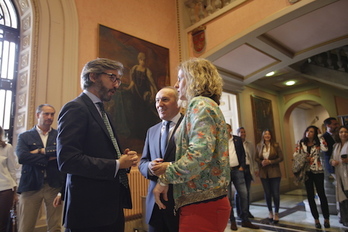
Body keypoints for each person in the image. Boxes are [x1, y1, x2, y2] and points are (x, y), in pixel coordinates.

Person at [57, 58, 139, 232]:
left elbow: (99, 151)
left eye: (118, 80)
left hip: (110, 207)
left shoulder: (103, 112)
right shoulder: (75, 108)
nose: (117, 85)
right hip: (89, 213)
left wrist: (121, 157)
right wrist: (116, 164)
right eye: (112, 78)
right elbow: (68, 159)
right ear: (93, 76)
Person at [152, 58, 231, 232]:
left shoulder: (200, 104)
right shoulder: (205, 105)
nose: (176, 84)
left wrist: (165, 176)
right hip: (203, 203)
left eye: (180, 78)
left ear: (195, 78)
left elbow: (198, 156)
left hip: (202, 206)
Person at [139, 86, 183, 232]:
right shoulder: (151, 131)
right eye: (157, 101)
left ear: (178, 103)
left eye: (165, 99)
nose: (159, 104)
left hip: (181, 203)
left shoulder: (189, 126)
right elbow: (142, 162)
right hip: (155, 206)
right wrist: (150, 167)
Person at [16, 104, 65, 232]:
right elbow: (22, 157)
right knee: (25, 226)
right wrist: (48, 158)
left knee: (55, 227)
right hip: (31, 184)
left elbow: (63, 153)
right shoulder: (24, 136)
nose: (49, 117)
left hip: (54, 185)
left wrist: (39, 151)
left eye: (52, 114)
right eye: (46, 114)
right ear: (38, 115)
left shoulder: (59, 135)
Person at [296, 125, 330, 229]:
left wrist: (320, 135)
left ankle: (326, 219)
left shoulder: (319, 142)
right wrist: (303, 157)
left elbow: (325, 148)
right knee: (310, 195)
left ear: (315, 133)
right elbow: (295, 154)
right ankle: (316, 220)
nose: (308, 133)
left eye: (311, 131)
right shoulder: (301, 143)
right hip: (307, 171)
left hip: (318, 170)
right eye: (307, 131)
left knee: (321, 194)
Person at [226, 124, 259, 230]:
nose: (225, 130)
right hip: (225, 173)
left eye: (227, 128)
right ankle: (232, 221)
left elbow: (243, 155)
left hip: (237, 170)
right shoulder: (219, 141)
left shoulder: (237, 139)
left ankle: (245, 220)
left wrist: (242, 167)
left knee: (244, 194)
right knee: (228, 198)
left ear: (230, 130)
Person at [127, 52, 159, 140]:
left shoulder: (147, 71)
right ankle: (137, 134)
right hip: (136, 95)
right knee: (136, 113)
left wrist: (154, 94)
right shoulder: (134, 69)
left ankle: (144, 134)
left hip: (144, 96)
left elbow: (151, 84)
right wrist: (127, 89)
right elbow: (132, 82)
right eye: (141, 59)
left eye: (144, 60)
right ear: (139, 59)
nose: (143, 62)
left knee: (144, 114)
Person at [255, 129, 283, 224]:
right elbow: (256, 158)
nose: (267, 135)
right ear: (263, 135)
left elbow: (281, 157)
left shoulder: (276, 145)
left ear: (271, 136)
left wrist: (270, 161)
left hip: (274, 172)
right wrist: (261, 162)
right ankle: (270, 211)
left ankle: (276, 213)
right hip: (264, 173)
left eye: (269, 134)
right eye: (265, 134)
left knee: (275, 193)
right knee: (267, 193)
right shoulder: (259, 146)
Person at [236, 127, 258, 218]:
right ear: (237, 134)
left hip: (248, 169)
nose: (243, 134)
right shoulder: (235, 144)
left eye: (244, 132)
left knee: (247, 192)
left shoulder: (250, 144)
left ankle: (246, 211)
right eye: (240, 132)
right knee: (239, 192)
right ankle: (239, 211)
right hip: (239, 169)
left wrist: (255, 168)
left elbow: (253, 158)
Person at [0, 126, 19, 232]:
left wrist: (15, 193)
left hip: (5, 189)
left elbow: (12, 170)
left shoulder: (7, 148)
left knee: (2, 223)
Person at [330, 125, 348, 227]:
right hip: (339, 176)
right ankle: (345, 220)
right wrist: (332, 162)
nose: (343, 134)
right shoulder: (335, 146)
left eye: (345, 132)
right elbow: (331, 159)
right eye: (341, 132)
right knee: (343, 199)